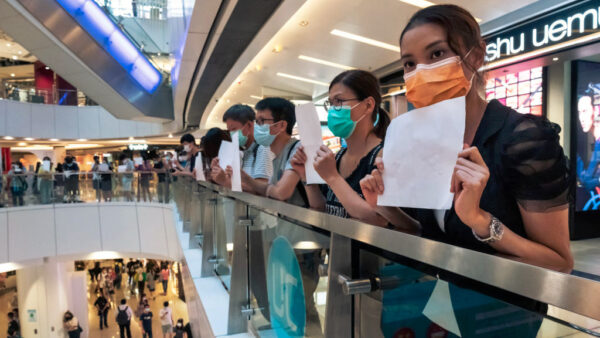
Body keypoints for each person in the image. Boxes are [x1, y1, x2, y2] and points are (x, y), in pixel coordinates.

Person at [360, 3, 573, 273]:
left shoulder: (524, 138)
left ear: (476, 56)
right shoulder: (421, 143)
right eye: (410, 63)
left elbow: (559, 263)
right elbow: (431, 236)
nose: (421, 72)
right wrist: (386, 207)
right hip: (433, 302)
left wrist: (479, 220)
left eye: (437, 53)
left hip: (498, 310)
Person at [291, 70, 397, 227]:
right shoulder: (339, 155)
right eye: (331, 103)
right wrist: (306, 177)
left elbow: (378, 220)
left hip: (367, 252)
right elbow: (321, 208)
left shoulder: (383, 157)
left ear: (368, 105)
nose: (333, 110)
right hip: (338, 249)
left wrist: (333, 177)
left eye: (339, 101)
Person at [240, 98, 307, 206]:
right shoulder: (272, 155)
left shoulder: (298, 149)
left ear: (281, 125)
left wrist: (268, 190)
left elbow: (281, 193)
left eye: (262, 121)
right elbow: (270, 191)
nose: (256, 127)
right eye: (256, 122)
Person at [211, 104, 274, 192]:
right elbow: (241, 183)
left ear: (249, 125)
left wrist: (225, 181)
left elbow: (261, 191)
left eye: (234, 129)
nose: (231, 134)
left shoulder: (263, 149)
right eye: (229, 131)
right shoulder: (245, 152)